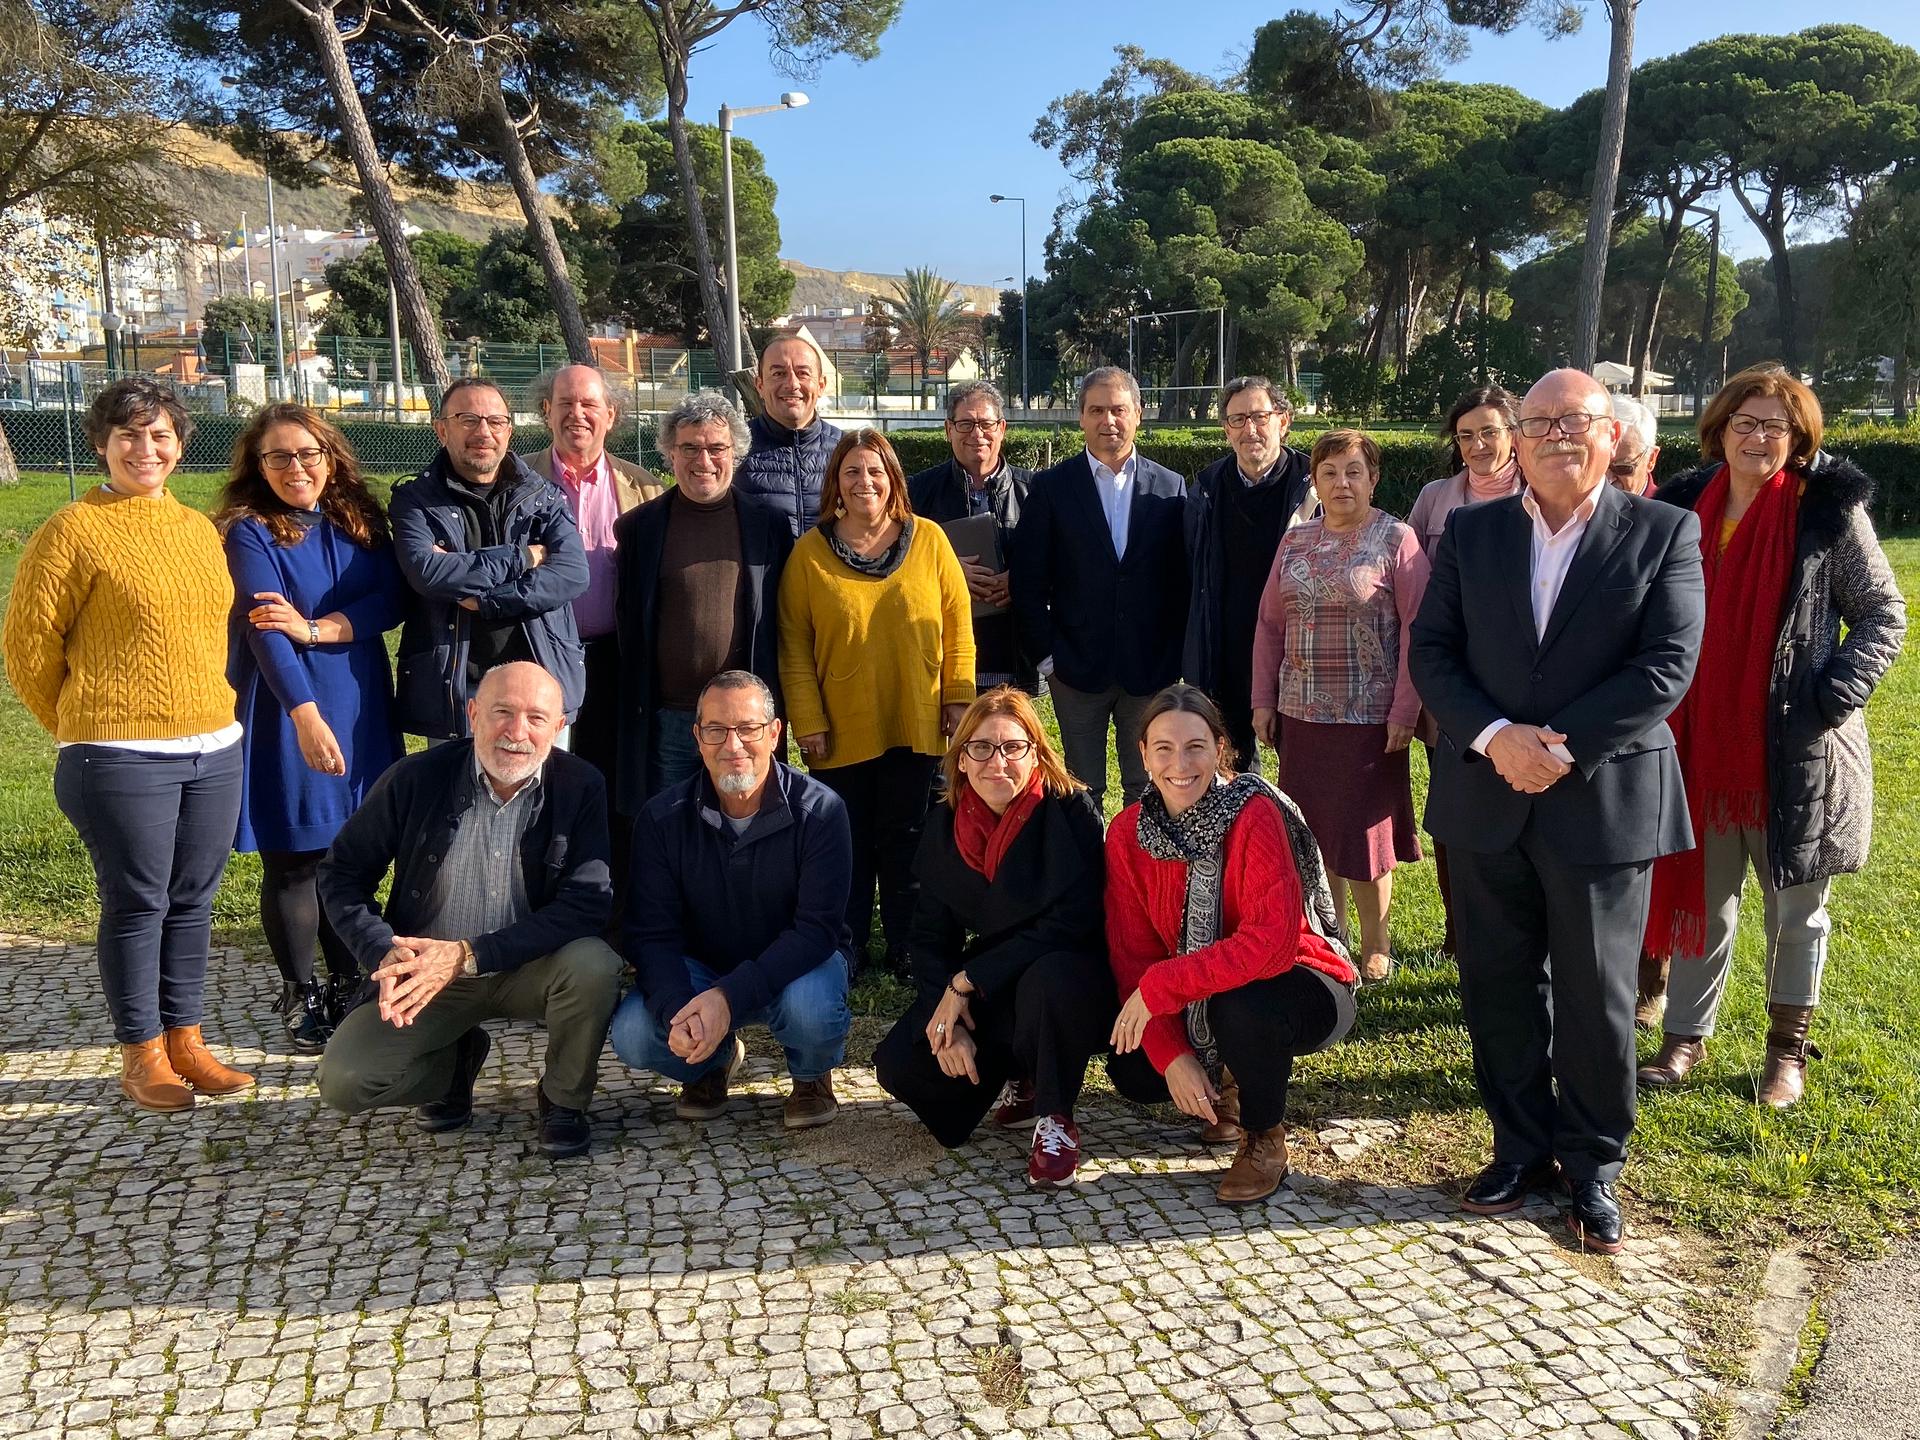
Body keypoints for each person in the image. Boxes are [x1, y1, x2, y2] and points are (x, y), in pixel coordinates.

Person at [1409, 368, 1706, 1255]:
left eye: (1574, 421)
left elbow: (1665, 666)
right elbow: (1433, 652)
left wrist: (1557, 748)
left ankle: (1592, 1166)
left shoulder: (1664, 532)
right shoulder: (1470, 533)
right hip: (1486, 793)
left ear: (1611, 436)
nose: (1554, 436)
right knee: (1497, 986)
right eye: (1537, 422)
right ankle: (1519, 1149)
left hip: (1602, 803)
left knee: (1598, 996)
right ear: (1518, 437)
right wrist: (1499, 737)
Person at [1637, 366, 1905, 1107]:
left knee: (1797, 907)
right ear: (1718, 430)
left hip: (1797, 749)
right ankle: (1684, 1038)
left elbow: (1884, 615)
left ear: (1798, 439)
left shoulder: (1826, 514)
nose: (1758, 437)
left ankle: (1787, 1052)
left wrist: (1830, 696)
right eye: (1745, 423)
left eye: (1775, 427)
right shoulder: (1682, 505)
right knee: (1707, 895)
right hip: (1696, 743)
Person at [3, 378, 253, 1110]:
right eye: (129, 436)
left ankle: (187, 1042)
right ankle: (141, 1051)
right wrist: (86, 725)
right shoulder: (72, 531)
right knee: (139, 901)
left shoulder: (195, 529)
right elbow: (26, 649)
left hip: (213, 745)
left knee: (194, 901)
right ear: (103, 444)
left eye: (160, 435)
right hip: (117, 757)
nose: (146, 449)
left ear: (179, 443)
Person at [316, 662, 622, 1158]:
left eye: (536, 718)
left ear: (559, 727)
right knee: (346, 1083)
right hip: (427, 975)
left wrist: (469, 954)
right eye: (502, 712)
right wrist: (379, 950)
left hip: (530, 965)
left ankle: (563, 1099)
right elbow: (341, 874)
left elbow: (588, 903)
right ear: (473, 712)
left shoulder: (580, 785)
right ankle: (454, 1066)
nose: (516, 733)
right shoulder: (416, 778)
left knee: (594, 965)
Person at [1104, 686, 1358, 1206]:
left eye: (1196, 746)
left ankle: (1263, 1137)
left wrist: (1162, 986)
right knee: (1135, 1072)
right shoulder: (1128, 833)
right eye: (1164, 748)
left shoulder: (1253, 812)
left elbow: (1270, 943)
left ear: (1220, 749)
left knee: (1243, 1007)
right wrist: (1174, 1054)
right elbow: (1133, 956)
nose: (1181, 763)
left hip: (1301, 977)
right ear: (1142, 754)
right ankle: (1225, 1083)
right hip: (1199, 994)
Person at [212, 403, 404, 1052]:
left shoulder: (358, 519)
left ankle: (349, 979)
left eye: (307, 454)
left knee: (349, 855)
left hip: (361, 702)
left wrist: (319, 628)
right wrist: (304, 714)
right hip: (288, 708)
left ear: (329, 455)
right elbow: (267, 634)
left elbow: (391, 600)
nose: (296, 468)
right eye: (278, 457)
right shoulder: (249, 531)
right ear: (257, 465)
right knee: (296, 858)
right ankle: (301, 991)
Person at [873, 687, 1113, 1188]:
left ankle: (1055, 1119)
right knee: (901, 1068)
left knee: (1048, 980)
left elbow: (1072, 920)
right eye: (980, 748)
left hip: (1072, 973)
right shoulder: (946, 823)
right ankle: (1018, 1075)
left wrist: (968, 981)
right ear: (961, 759)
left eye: (1012, 747)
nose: (995, 761)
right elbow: (929, 933)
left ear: (1037, 753)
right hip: (993, 977)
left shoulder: (1071, 811)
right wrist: (948, 1011)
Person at [612, 670, 853, 1129]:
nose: (733, 744)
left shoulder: (822, 811)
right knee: (635, 1034)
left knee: (811, 1009)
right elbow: (651, 933)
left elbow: (816, 931)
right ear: (697, 737)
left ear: (775, 734)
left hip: (795, 969)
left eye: (747, 729)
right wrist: (675, 1009)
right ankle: (710, 1062)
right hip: (702, 968)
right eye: (717, 730)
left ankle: (809, 1075)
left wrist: (727, 997)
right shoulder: (661, 818)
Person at [778, 429, 976, 972]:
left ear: (893, 480)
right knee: (847, 838)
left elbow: (959, 625)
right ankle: (848, 943)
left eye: (875, 471)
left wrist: (958, 698)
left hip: (919, 717)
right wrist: (807, 718)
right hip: (840, 726)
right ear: (835, 485)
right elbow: (793, 643)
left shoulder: (930, 540)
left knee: (909, 834)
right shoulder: (810, 552)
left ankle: (908, 943)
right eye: (851, 472)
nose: (864, 482)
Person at [1250, 430, 1429, 986]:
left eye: (1354, 471)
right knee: (1314, 831)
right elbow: (1269, 625)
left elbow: (1418, 631)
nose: (1342, 483)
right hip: (1302, 715)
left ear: (1373, 478)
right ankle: (1333, 935)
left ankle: (1376, 943)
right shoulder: (1295, 542)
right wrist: (1262, 700)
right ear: (1316, 481)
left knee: (1367, 836)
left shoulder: (1397, 539)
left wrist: (1405, 708)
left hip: (1369, 719)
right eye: (1329, 472)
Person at [1010, 367, 1188, 806]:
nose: (1108, 420)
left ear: (1138, 415)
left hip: (1149, 673)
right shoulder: (1052, 488)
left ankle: (1141, 872)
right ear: (1081, 417)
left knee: (1147, 788)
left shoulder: (1171, 487)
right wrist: (1049, 660)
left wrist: (1171, 658)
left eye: (1118, 410)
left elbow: (1181, 583)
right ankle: (1087, 875)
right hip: (1075, 671)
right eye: (1097, 410)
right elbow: (1028, 581)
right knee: (1080, 790)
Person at [613, 390, 792, 817]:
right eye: (689, 447)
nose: (704, 460)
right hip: (672, 720)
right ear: (669, 453)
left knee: (747, 827)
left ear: (736, 452)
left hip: (745, 722)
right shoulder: (639, 528)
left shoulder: (768, 525)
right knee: (670, 832)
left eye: (716, 448)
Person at [389, 377, 589, 740]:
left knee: (544, 796)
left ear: (508, 431)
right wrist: (524, 557)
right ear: (441, 430)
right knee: (456, 796)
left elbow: (572, 574)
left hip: (540, 684)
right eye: (468, 419)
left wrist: (487, 602)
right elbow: (428, 572)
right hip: (458, 694)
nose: (483, 431)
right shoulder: (414, 501)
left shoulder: (543, 496)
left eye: (495, 421)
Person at [1406, 387, 1524, 955]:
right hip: (1451, 677)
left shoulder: (1540, 492)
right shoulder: (1434, 498)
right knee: (1453, 803)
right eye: (1467, 435)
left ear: (1514, 434)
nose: (1478, 445)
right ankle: (1461, 926)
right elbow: (1411, 579)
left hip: (1523, 677)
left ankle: (1518, 926)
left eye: (1490, 432)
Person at [527, 364, 663, 790]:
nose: (577, 414)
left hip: (615, 658)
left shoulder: (646, 489)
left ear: (611, 415)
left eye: (589, 403)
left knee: (610, 775)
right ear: (547, 412)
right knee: (542, 775)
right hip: (539, 653)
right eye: (565, 403)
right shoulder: (517, 482)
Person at [1183, 376, 1316, 768]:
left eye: (1259, 416)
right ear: (1226, 429)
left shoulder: (1314, 486)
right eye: (1237, 419)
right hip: (1225, 652)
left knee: (1304, 771)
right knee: (1233, 772)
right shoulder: (1206, 489)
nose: (1249, 429)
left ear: (1284, 421)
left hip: (1298, 652)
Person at [908, 380, 1036, 692]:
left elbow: (1063, 561)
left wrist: (1020, 579)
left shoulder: (1035, 490)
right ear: (948, 430)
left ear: (1002, 428)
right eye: (965, 424)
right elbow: (899, 562)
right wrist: (949, 574)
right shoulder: (917, 493)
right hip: (942, 655)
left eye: (985, 423)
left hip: (1017, 656)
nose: (976, 434)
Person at [735, 334, 844, 536]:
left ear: (820, 385)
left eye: (803, 373)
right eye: (778, 374)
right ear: (759, 385)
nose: (792, 384)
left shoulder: (847, 451)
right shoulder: (733, 450)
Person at [1607, 394, 1661, 497]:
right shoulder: (1575, 508)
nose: (1607, 479)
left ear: (1651, 459)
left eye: (1622, 468)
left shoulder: (1668, 511)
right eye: (1599, 467)